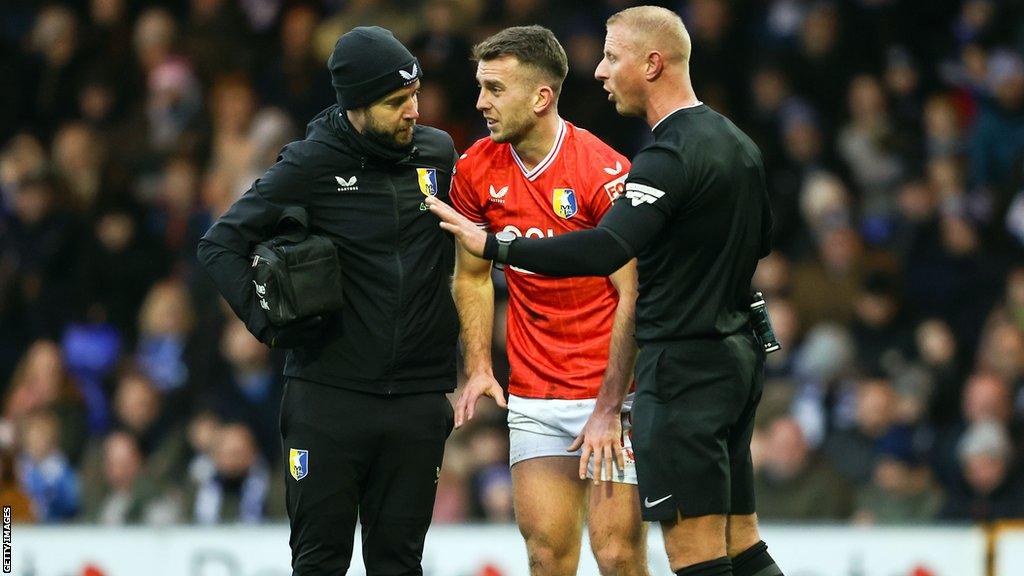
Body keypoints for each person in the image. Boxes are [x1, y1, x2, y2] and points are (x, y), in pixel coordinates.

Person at [427, 6, 784, 576]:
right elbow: (763, 240)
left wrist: (499, 247)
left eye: (612, 57)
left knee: (677, 554)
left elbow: (606, 253)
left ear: (652, 63)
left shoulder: (647, 161)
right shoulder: (735, 141)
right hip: (724, 358)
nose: (600, 71)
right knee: (739, 541)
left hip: (668, 373)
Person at [197, 26, 458, 576]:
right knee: (319, 564)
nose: (414, 111)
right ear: (355, 105)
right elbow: (220, 244)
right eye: (396, 102)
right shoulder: (310, 165)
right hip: (328, 399)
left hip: (417, 399)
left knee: (400, 564)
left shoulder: (437, 154)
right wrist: (270, 328)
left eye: (415, 94)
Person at [449, 26, 645, 575]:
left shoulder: (604, 173)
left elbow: (633, 291)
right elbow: (471, 276)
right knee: (545, 556)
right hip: (535, 392)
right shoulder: (474, 170)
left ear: (541, 97)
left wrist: (610, 405)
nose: (480, 103)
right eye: (480, 87)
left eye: (494, 89)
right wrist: (480, 366)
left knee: (618, 556)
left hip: (611, 390)